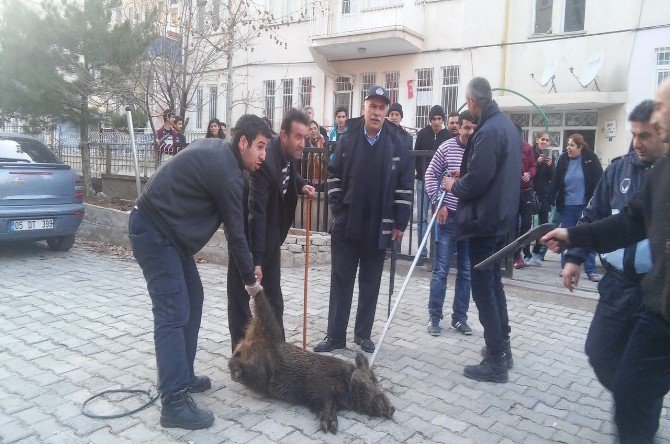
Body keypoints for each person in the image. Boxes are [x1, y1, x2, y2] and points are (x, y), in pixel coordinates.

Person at [542, 77, 670, 444]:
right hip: (640, 295)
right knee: (613, 366)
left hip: (655, 300)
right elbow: (626, 221)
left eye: (662, 108)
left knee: (635, 391)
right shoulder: (640, 171)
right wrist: (573, 240)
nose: (640, 139)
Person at [129, 114, 272, 430]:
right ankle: (174, 402)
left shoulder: (223, 156)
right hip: (154, 231)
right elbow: (236, 234)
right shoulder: (229, 174)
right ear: (243, 142)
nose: (264, 155)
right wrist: (251, 282)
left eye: (266, 148)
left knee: (193, 297)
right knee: (172, 312)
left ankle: (184, 374)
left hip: (169, 236)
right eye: (260, 147)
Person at [563, 100, 667, 391]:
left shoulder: (665, 178)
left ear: (662, 133)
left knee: (646, 369)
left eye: (644, 135)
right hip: (617, 285)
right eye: (633, 135)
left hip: (654, 292)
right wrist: (574, 257)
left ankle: (638, 408)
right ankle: (631, 398)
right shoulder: (618, 171)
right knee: (599, 352)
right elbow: (593, 215)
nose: (637, 143)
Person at [314, 85, 413, 354]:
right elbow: (333, 174)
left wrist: (400, 224)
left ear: (386, 112)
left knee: (371, 282)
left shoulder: (397, 142)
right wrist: (337, 209)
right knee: (341, 280)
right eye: (373, 106)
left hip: (379, 226)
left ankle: (363, 334)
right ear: (364, 108)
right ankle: (335, 336)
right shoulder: (347, 138)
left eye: (382, 107)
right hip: (348, 223)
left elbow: (404, 186)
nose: (377, 112)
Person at [442, 77, 521, 383]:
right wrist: (470, 173)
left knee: (483, 289)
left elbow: (477, 182)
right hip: (499, 219)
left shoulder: (488, 132)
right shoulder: (508, 128)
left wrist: (454, 184)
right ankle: (502, 349)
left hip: (483, 222)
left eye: (468, 102)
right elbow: (491, 171)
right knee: (494, 285)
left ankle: (496, 360)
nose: (468, 108)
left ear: (474, 102)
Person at [226, 110, 317, 349]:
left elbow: (288, 174)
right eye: (297, 137)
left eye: (304, 137)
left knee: (274, 297)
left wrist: (302, 184)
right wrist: (256, 260)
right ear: (284, 135)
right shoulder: (265, 160)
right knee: (240, 296)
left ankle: (278, 354)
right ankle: (242, 357)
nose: (302, 143)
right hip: (248, 238)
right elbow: (257, 213)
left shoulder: (288, 154)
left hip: (272, 236)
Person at [424, 110, 476, 337]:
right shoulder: (446, 148)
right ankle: (435, 316)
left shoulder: (480, 151)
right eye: (466, 128)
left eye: (473, 129)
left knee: (466, 271)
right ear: (459, 128)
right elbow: (429, 176)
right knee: (441, 269)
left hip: (469, 221)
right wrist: (438, 203)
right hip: (447, 217)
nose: (469, 132)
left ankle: (460, 318)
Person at [549, 133, 603, 281]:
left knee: (588, 234)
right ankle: (565, 266)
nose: (568, 148)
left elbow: (600, 180)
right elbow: (555, 180)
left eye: (572, 145)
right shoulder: (563, 159)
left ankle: (591, 270)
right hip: (567, 204)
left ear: (580, 147)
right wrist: (549, 197)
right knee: (566, 235)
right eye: (567, 145)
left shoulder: (590, 158)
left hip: (586, 205)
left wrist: (598, 201)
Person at [414, 105, 450, 265]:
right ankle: (422, 253)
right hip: (422, 181)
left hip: (440, 185)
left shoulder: (447, 136)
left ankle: (435, 254)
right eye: (434, 119)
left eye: (439, 119)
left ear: (443, 120)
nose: (436, 122)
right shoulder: (422, 134)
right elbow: (416, 157)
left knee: (437, 217)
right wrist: (423, 174)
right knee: (422, 218)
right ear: (430, 120)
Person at [513, 125, 538, 269]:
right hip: (512, 192)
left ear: (521, 134)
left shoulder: (527, 147)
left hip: (526, 191)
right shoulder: (507, 147)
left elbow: (533, 166)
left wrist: (530, 173)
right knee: (513, 224)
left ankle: (520, 251)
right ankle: (516, 256)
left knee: (527, 224)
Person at [530, 131, 554, 264]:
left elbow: (552, 177)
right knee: (528, 224)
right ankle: (525, 252)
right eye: (542, 139)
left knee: (544, 224)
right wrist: (536, 163)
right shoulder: (531, 152)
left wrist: (550, 166)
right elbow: (529, 172)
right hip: (532, 192)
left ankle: (538, 251)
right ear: (537, 140)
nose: (545, 142)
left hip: (544, 194)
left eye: (547, 140)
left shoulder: (550, 155)